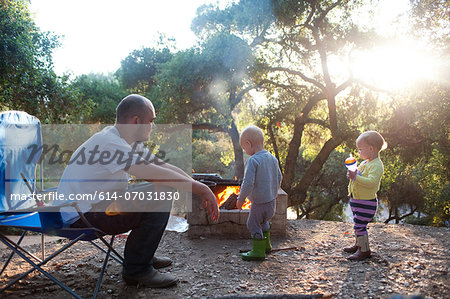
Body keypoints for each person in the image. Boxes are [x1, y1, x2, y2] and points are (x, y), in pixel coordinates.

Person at [56, 94, 219, 288]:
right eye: (151, 121)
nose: (154, 126)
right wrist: (202, 190)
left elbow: (162, 166)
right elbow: (155, 174)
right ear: (136, 121)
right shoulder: (110, 144)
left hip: (95, 207)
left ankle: (143, 255)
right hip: (81, 216)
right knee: (161, 193)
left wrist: (199, 186)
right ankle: (137, 269)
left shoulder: (124, 140)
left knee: (161, 189)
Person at [235, 125, 282, 261]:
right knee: (263, 222)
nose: (245, 151)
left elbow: (248, 183)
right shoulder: (272, 158)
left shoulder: (253, 161)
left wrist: (241, 199)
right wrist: (275, 191)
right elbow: (279, 177)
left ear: (248, 144)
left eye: (244, 148)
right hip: (271, 203)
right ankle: (266, 245)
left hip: (259, 204)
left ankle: (258, 251)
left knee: (253, 224)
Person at [344, 130, 386, 261]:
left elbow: (371, 182)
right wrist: (352, 174)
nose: (359, 152)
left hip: (366, 202)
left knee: (360, 225)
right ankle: (359, 244)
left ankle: (365, 250)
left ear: (371, 148)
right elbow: (358, 176)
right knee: (357, 223)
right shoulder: (365, 163)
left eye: (360, 149)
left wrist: (355, 177)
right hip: (357, 200)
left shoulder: (377, 165)